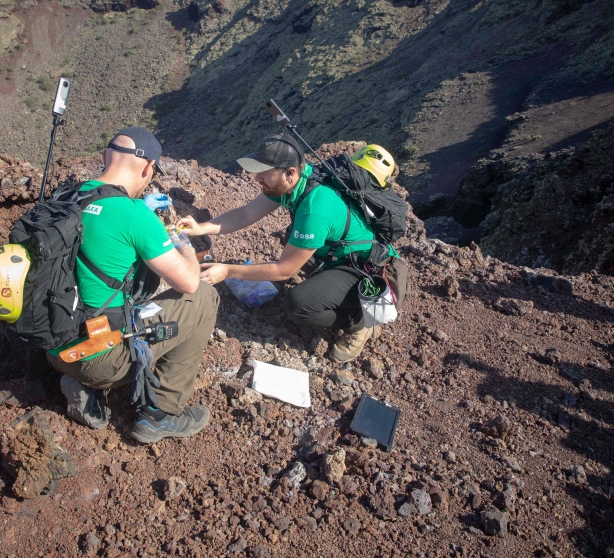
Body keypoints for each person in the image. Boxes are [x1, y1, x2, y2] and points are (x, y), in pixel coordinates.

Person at [46, 127, 219, 443]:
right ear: (148, 168)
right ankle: (161, 413)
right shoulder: (134, 214)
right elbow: (190, 282)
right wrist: (177, 236)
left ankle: (81, 385)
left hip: (53, 345)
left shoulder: (64, 196)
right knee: (205, 297)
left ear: (104, 157)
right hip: (98, 358)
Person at [176, 134, 407, 363]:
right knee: (293, 239)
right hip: (340, 253)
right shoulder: (299, 180)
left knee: (299, 304)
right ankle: (330, 283)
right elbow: (247, 213)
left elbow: (284, 271)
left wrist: (227, 271)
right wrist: (201, 228)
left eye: (265, 173)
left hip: (366, 269)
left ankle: (363, 321)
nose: (257, 179)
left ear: (290, 173)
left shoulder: (315, 209)